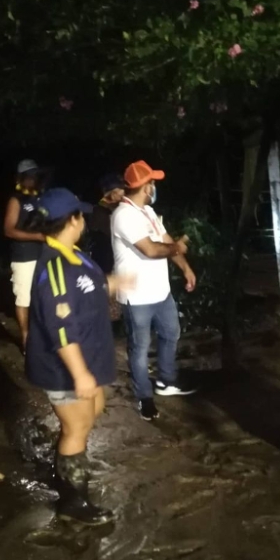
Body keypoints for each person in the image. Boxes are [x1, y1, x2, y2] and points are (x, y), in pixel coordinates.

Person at [25, 188, 131, 526]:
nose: (84, 219)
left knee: (91, 412)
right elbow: (60, 329)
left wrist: (114, 282)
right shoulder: (55, 268)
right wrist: (81, 373)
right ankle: (73, 501)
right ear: (72, 220)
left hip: (86, 358)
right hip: (65, 367)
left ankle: (71, 461)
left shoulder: (74, 256)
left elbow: (87, 287)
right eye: (80, 215)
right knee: (77, 425)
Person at [111, 160, 197, 421]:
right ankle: (144, 398)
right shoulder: (123, 215)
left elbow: (166, 241)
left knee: (171, 333)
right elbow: (151, 249)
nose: (154, 186)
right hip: (136, 296)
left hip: (161, 292)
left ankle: (167, 381)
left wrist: (185, 268)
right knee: (139, 347)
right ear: (144, 186)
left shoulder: (147, 211)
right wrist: (177, 249)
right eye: (152, 182)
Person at [4, 159, 48, 352]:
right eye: (29, 175)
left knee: (43, 297)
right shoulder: (16, 200)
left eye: (35, 175)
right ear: (21, 178)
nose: (33, 178)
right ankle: (26, 339)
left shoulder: (39, 197)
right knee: (24, 299)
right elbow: (9, 230)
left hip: (43, 254)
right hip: (23, 257)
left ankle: (42, 336)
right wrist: (37, 236)